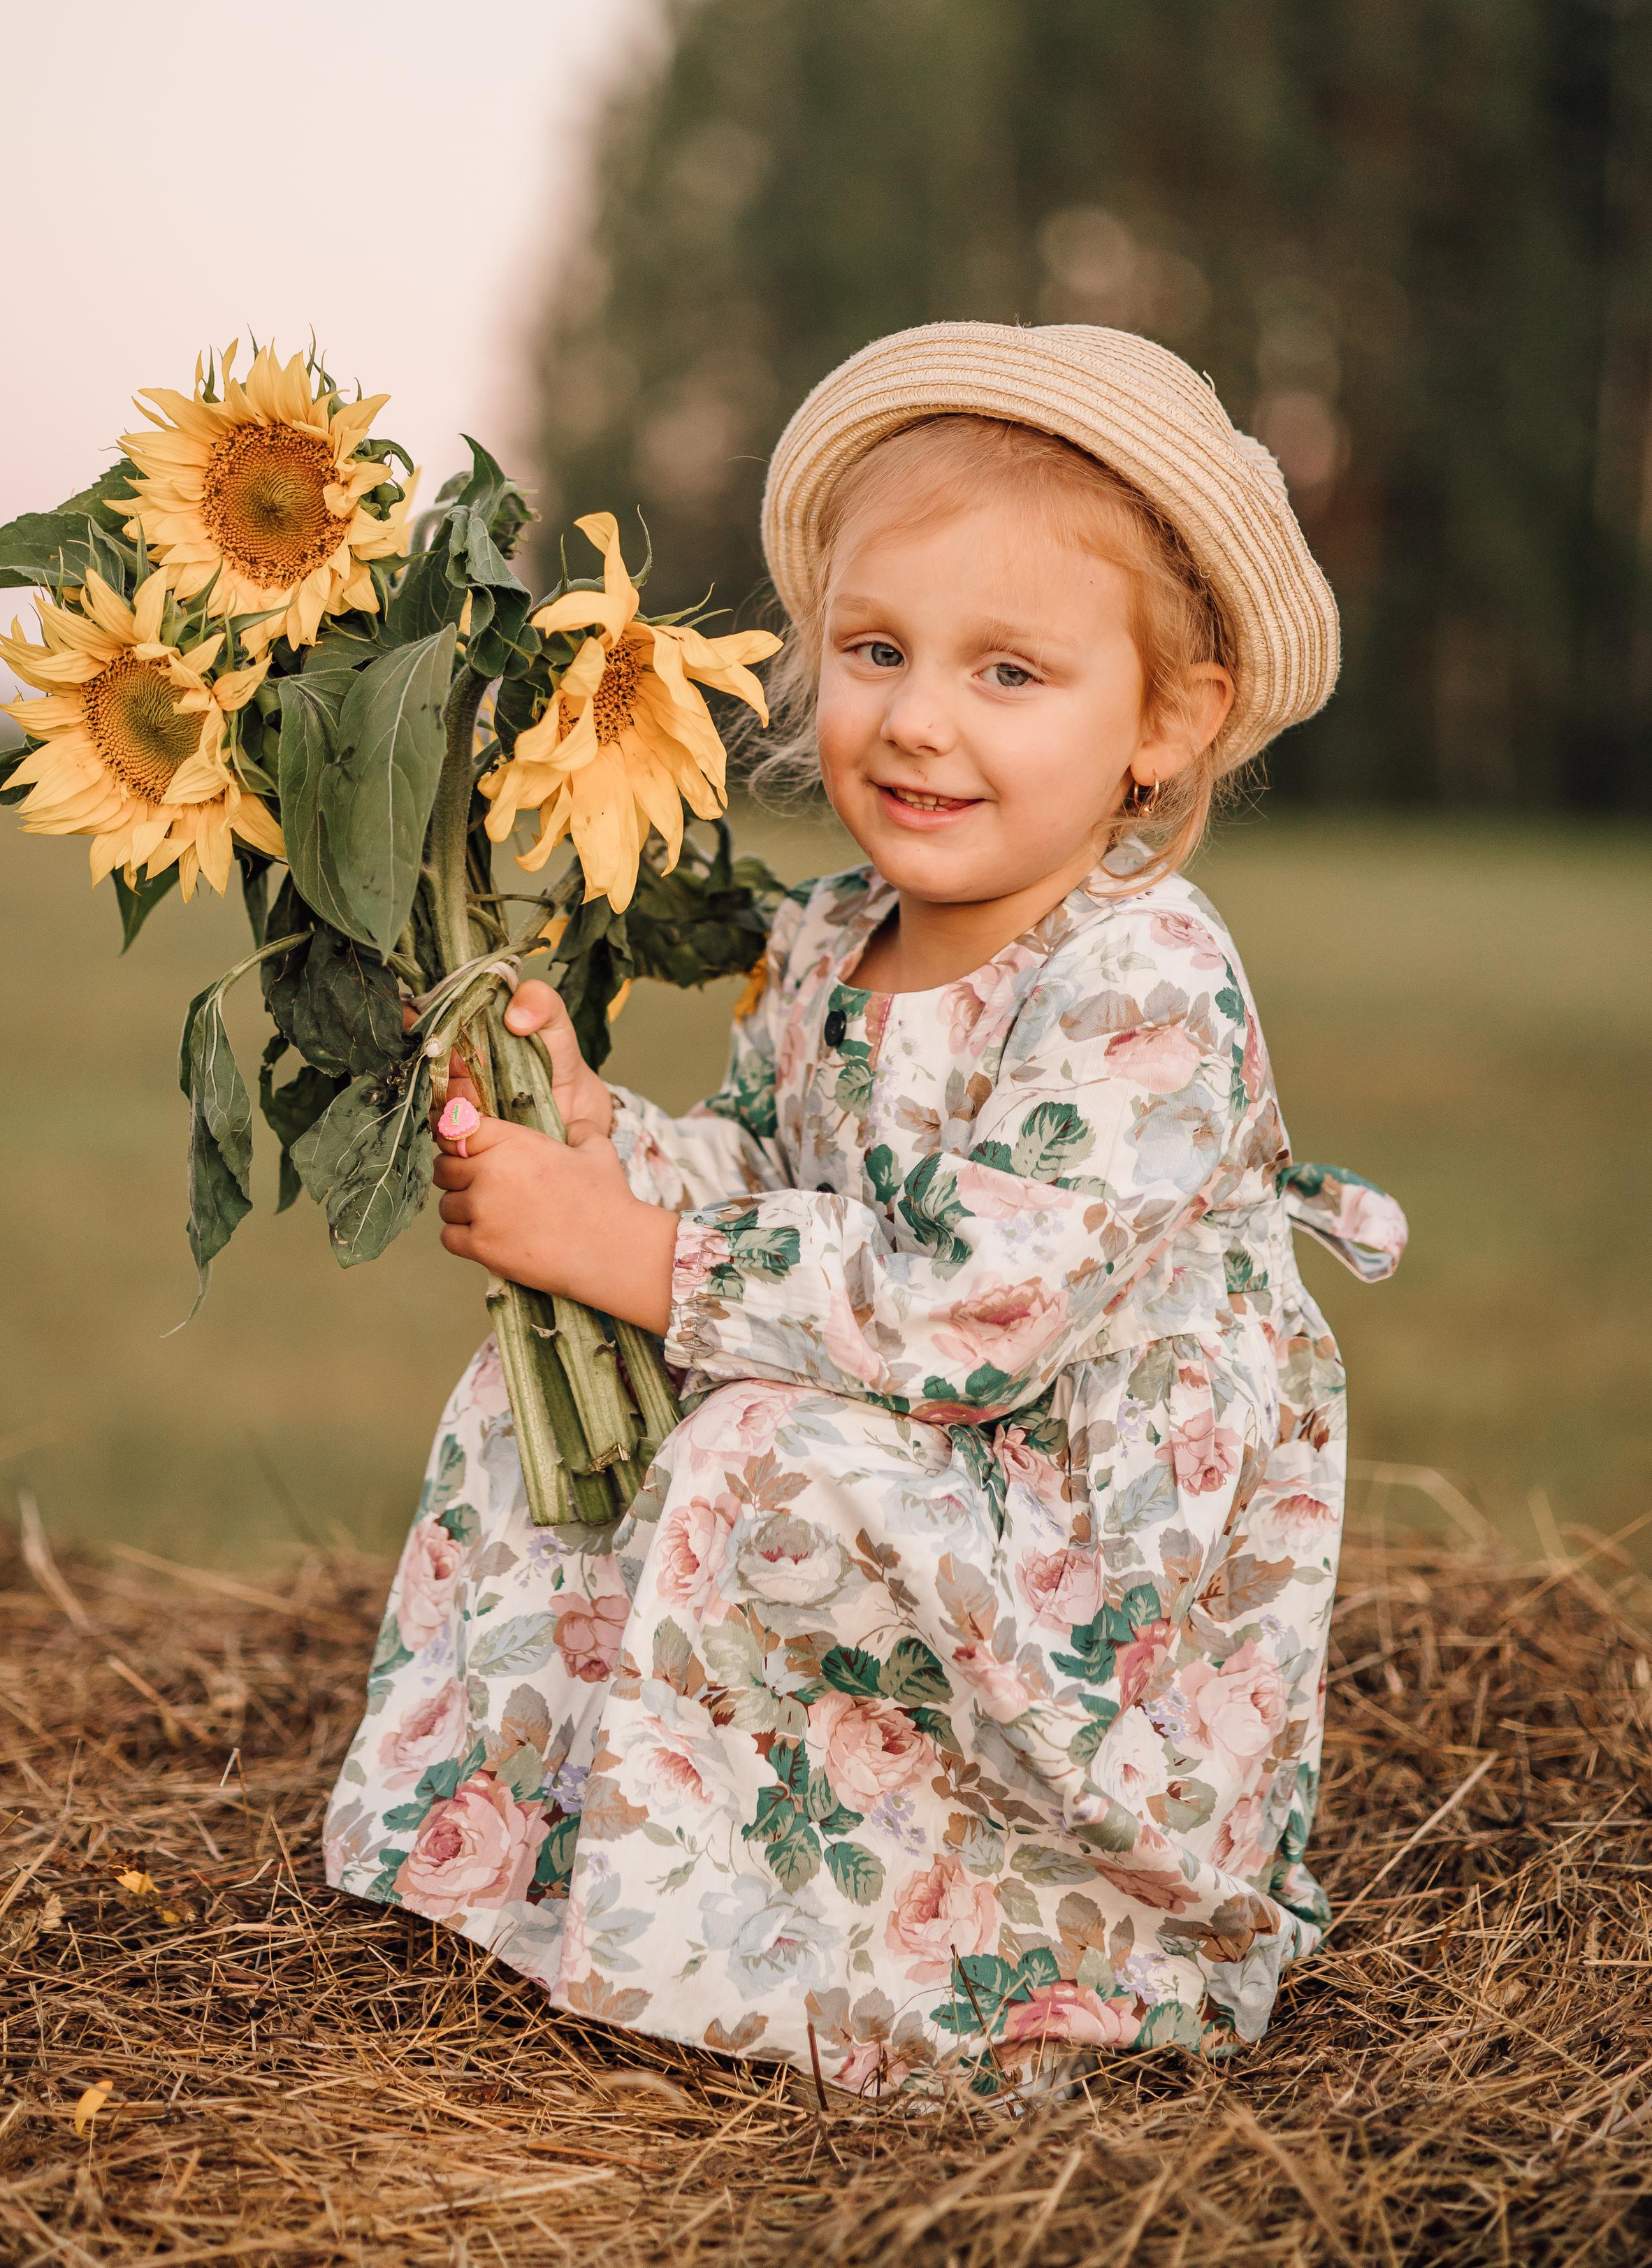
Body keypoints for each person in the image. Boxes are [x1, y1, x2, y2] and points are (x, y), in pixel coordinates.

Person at [323, 322, 1406, 2095]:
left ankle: (986, 1934)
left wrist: (638, 1251)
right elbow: (773, 1172)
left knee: (761, 1453)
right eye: (876, 651)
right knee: (552, 1387)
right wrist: (601, 1145)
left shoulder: (1143, 975)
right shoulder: (825, 938)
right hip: (914, 1447)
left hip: (1077, 1547)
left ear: (1166, 724)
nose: (913, 718)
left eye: (1008, 674)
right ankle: (552, 1859)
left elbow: (970, 1315)